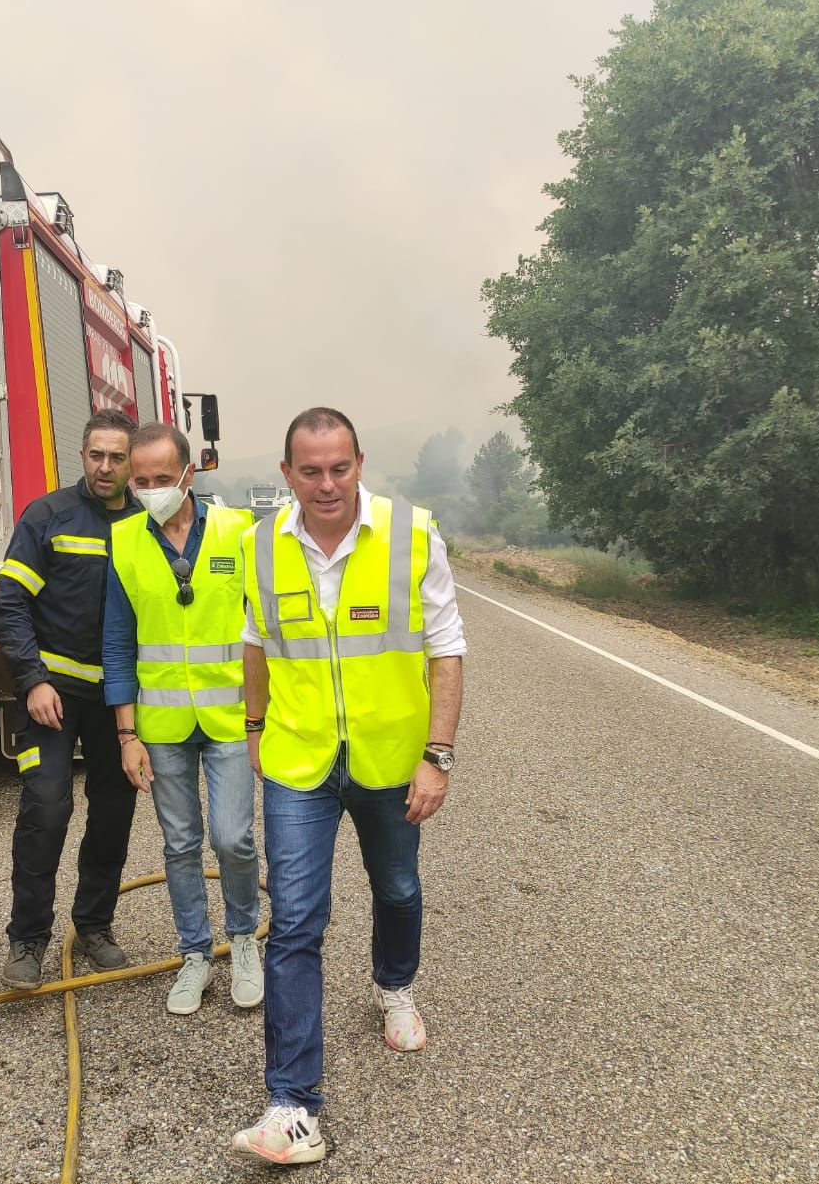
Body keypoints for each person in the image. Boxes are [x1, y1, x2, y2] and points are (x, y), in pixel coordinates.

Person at [231, 407, 466, 1165]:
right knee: (295, 918)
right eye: (311, 470)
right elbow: (257, 642)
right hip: (300, 759)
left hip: (390, 756)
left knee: (396, 886)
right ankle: (291, 1104)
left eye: (339, 467)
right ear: (287, 473)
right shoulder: (260, 544)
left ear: (360, 462)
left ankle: (395, 985)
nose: (326, 483)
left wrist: (439, 755)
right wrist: (256, 727)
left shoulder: (412, 533)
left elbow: (446, 652)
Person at [103, 422, 262, 1015]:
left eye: (162, 479)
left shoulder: (238, 533)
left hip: (229, 721)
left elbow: (262, 635)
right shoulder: (123, 542)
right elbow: (117, 645)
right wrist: (126, 733)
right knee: (180, 842)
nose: (149, 490)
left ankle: (243, 940)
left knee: (233, 837)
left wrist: (261, 718)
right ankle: (195, 953)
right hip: (162, 726)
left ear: (189, 474)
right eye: (139, 480)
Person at [0, 409, 142, 989]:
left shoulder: (144, 524)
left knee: (113, 815)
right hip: (51, 698)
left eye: (117, 457)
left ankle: (95, 927)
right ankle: (27, 940)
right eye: (96, 455)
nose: (105, 467)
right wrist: (32, 679)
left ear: (132, 461)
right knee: (46, 811)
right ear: (83, 456)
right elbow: (8, 604)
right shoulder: (48, 516)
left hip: (117, 702)